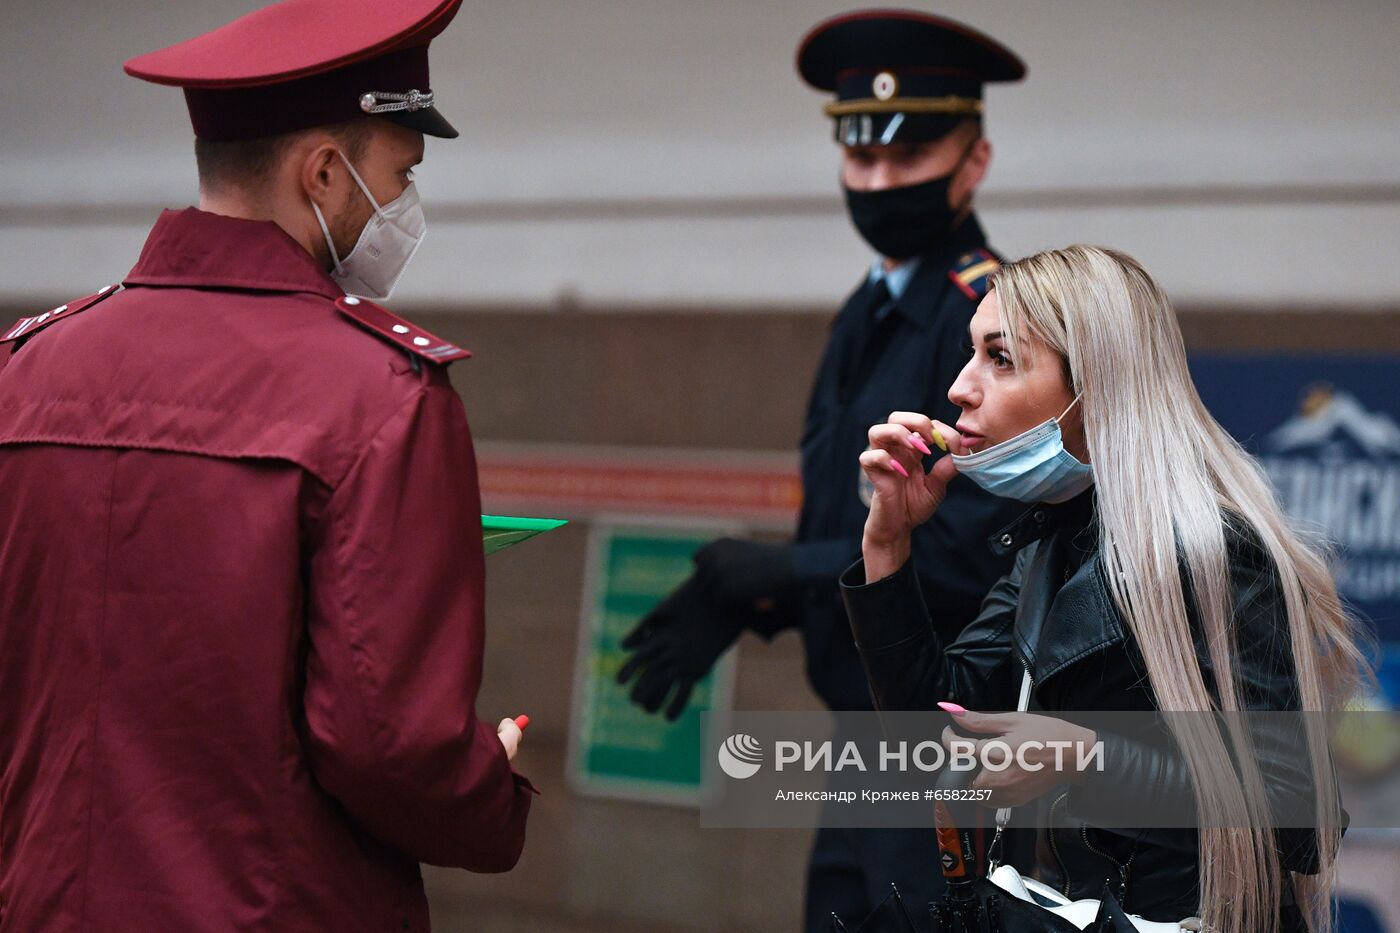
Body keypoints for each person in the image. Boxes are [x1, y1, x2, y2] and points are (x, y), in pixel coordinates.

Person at [0, 1, 536, 929]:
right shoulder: (381, 396)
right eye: (399, 173)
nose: (405, 205)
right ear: (325, 173)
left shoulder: (25, 367)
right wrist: (487, 787)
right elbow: (387, 742)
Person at [616, 9, 1029, 927]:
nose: (878, 182)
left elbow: (975, 553)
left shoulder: (994, 324)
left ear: (976, 162)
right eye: (860, 159)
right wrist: (761, 596)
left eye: (907, 158)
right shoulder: (864, 312)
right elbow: (859, 521)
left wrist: (782, 569)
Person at [843, 245, 1367, 932]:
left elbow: (1295, 815)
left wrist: (1085, 754)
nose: (960, 388)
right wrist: (887, 544)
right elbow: (937, 735)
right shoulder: (1054, 540)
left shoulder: (1217, 550)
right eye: (972, 354)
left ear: (1095, 387)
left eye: (999, 358)